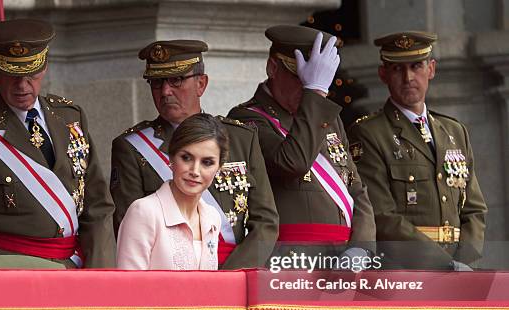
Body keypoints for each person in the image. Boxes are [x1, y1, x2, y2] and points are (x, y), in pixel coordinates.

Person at [0, 19, 116, 268]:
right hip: (11, 273)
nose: (21, 85)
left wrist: (99, 273)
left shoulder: (70, 117)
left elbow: (97, 206)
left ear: (44, 66)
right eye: (12, 74)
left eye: (30, 73)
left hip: (75, 270)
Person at [111, 40, 279, 269]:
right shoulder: (132, 147)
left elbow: (266, 222)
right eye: (157, 83)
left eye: (176, 80)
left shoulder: (241, 137)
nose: (165, 91)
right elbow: (130, 231)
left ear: (201, 83)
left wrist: (230, 276)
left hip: (239, 273)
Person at [228, 25, 376, 266]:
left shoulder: (329, 119)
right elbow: (292, 163)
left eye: (318, 78)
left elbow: (355, 188)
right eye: (301, 77)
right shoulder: (247, 118)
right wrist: (315, 91)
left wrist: (360, 247)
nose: (307, 86)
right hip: (293, 262)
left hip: (344, 260)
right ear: (272, 67)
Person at [347, 31, 487, 270]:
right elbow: (381, 216)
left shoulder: (454, 131)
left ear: (431, 69)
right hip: (403, 270)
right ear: (383, 75)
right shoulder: (369, 133)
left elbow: (474, 209)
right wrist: (445, 264)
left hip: (460, 270)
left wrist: (463, 260)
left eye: (416, 66)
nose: (408, 77)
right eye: (397, 69)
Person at [117, 113, 226, 270]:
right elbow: (129, 288)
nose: (195, 171)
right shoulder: (143, 212)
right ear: (171, 157)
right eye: (186, 158)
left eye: (207, 162)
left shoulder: (212, 217)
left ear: (219, 168)